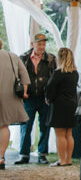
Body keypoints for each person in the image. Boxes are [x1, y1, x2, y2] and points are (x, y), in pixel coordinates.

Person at [16, 33, 56, 164]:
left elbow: (54, 78)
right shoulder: (23, 58)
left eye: (44, 44)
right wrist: (21, 93)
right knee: (26, 126)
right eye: (39, 43)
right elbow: (18, 76)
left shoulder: (51, 58)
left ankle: (42, 154)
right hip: (29, 97)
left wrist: (50, 95)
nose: (42, 46)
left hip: (45, 98)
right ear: (32, 44)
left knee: (45, 126)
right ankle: (24, 154)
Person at [44, 47, 78, 167]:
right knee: (69, 133)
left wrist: (48, 99)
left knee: (60, 134)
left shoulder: (58, 73)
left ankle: (61, 160)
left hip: (59, 105)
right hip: (72, 105)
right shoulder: (75, 73)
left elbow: (50, 88)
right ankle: (68, 159)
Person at [0, 39, 29, 170]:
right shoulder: (13, 56)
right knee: (4, 126)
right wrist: (25, 92)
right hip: (9, 96)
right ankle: (1, 157)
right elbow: (25, 76)